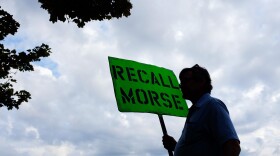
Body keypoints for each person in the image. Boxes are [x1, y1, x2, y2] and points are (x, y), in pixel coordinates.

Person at [162, 64, 241, 156]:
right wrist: (175, 147)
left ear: (201, 81)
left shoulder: (212, 105)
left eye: (185, 81)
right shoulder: (195, 111)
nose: (181, 86)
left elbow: (232, 146)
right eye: (181, 82)